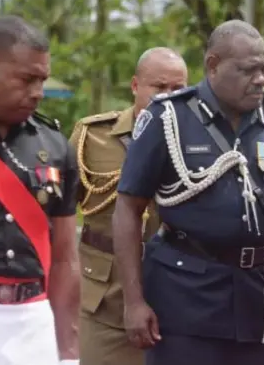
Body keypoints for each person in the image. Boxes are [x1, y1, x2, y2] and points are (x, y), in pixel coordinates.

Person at [112, 20, 264, 365]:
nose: (261, 79)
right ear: (213, 66)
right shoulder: (168, 118)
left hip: (261, 304)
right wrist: (133, 301)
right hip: (185, 302)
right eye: (248, 70)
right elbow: (128, 209)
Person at [68, 47, 188, 365]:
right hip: (104, 300)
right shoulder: (93, 137)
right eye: (159, 87)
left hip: (173, 297)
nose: (167, 97)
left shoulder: (197, 144)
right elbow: (60, 215)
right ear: (135, 86)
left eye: (178, 90)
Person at [0, 16, 80, 365]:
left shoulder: (55, 145)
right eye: (27, 79)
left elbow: (66, 258)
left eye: (41, 80)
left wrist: (69, 351)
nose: (38, 92)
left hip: (33, 322)